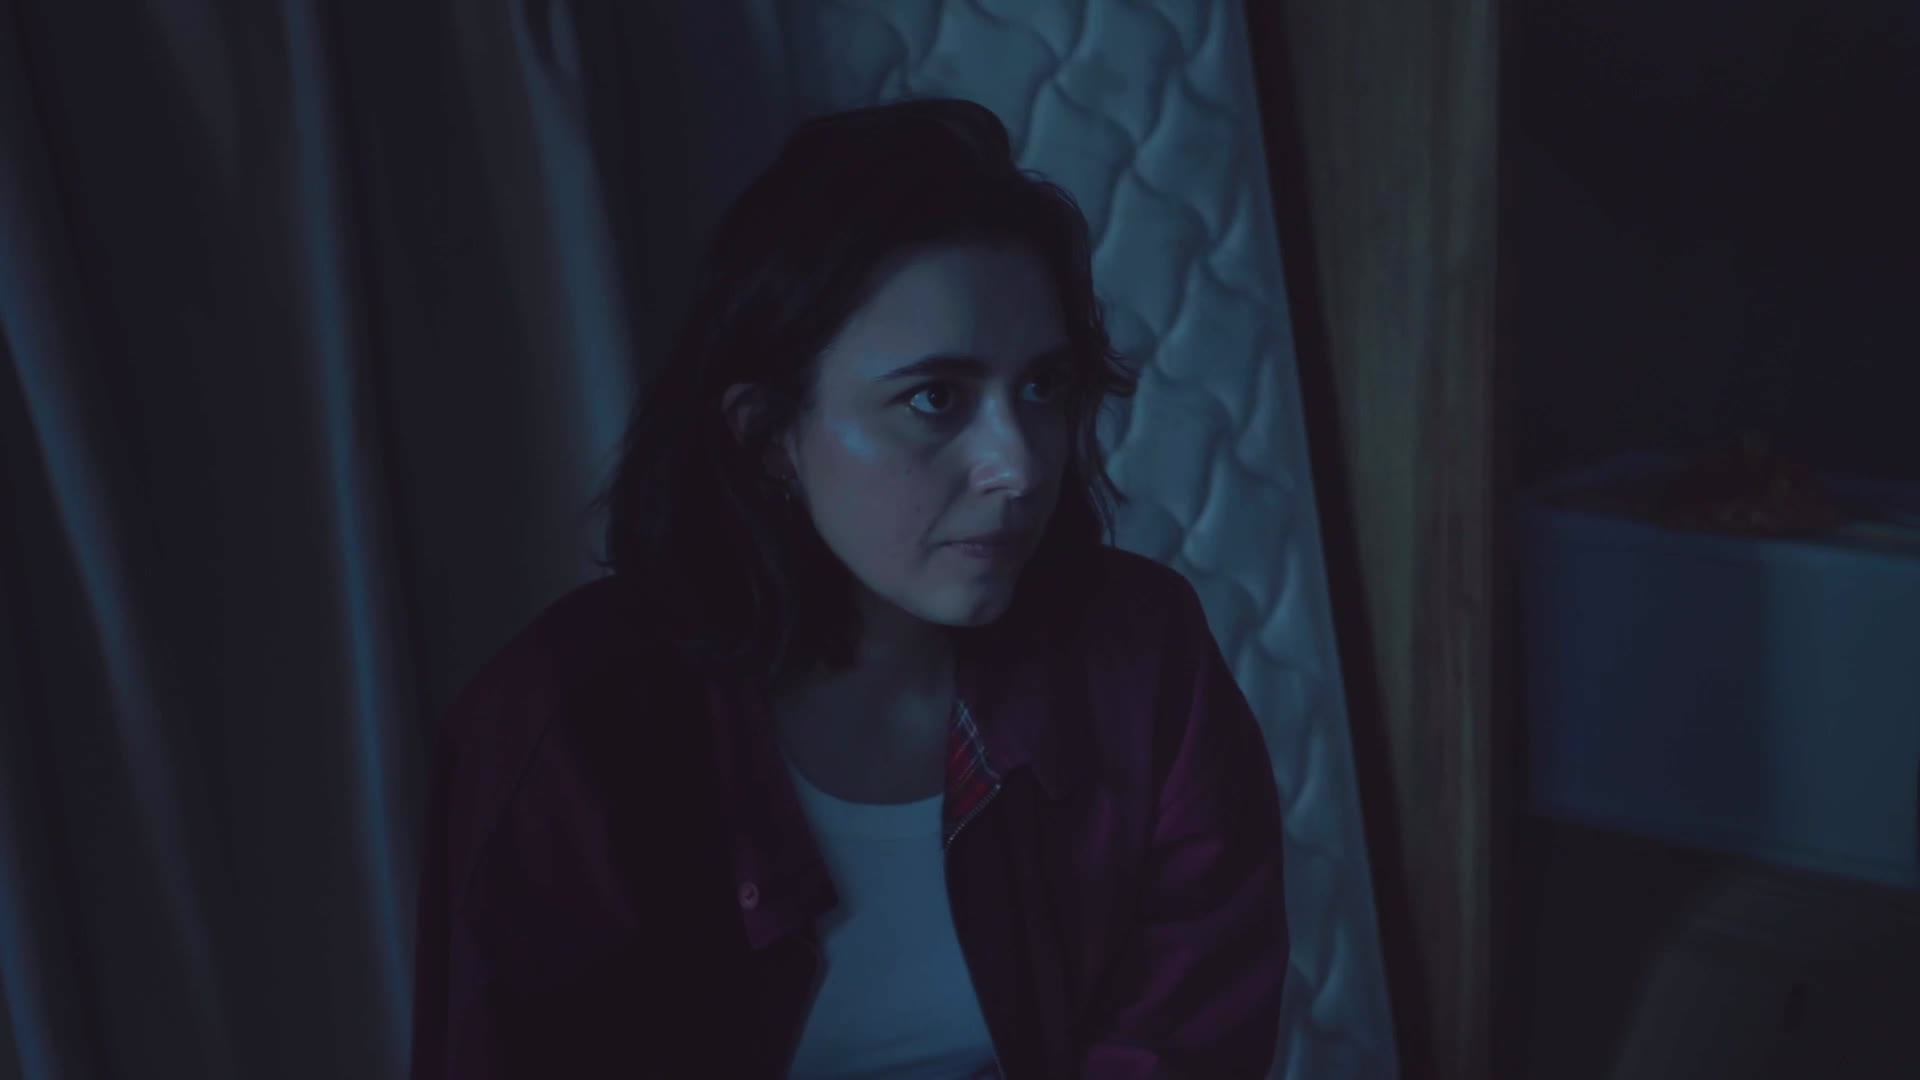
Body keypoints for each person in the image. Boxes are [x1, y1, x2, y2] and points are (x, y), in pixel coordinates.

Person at [408, 97, 1289, 1079]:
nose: (1018, 466)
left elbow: (1188, 1040)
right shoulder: (566, 723)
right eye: (934, 399)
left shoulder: (1139, 658)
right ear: (769, 437)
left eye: (1042, 387)